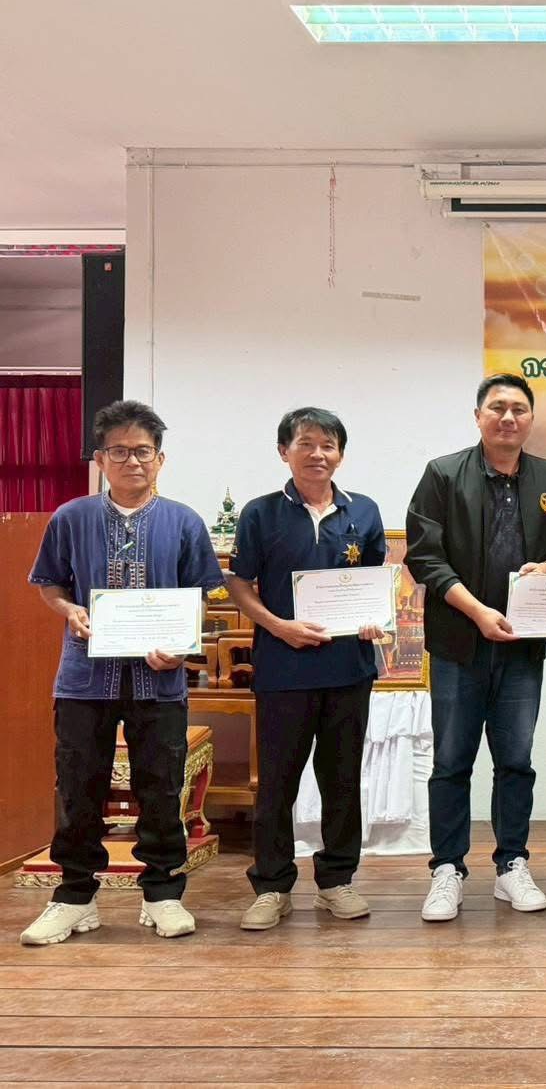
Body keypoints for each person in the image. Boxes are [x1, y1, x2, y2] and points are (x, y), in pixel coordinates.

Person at [22, 400, 224, 945]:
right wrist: (71, 610)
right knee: (77, 786)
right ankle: (74, 897)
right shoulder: (71, 517)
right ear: (100, 459)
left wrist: (182, 647)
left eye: (143, 451)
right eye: (119, 451)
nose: (132, 461)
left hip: (160, 681)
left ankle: (162, 893)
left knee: (161, 787)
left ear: (160, 459)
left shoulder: (184, 521)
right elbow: (50, 584)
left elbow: (202, 595)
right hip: (84, 678)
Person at [407, 374, 546, 920]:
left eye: (519, 409)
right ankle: (447, 869)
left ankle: (512, 864)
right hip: (459, 643)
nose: (508, 417)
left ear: (530, 419)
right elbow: (425, 557)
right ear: (478, 416)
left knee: (515, 761)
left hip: (522, 648)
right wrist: (478, 612)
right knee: (451, 761)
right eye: (497, 407)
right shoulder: (442, 474)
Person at [226, 408, 388, 931]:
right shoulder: (260, 513)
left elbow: (374, 585)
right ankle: (272, 886)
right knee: (277, 783)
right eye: (306, 443)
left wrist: (373, 620)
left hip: (349, 670)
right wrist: (279, 626)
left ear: (340, 454)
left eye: (328, 445)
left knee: (342, 780)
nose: (318, 453)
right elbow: (238, 584)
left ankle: (336, 881)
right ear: (284, 451)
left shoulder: (364, 511)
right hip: (283, 669)